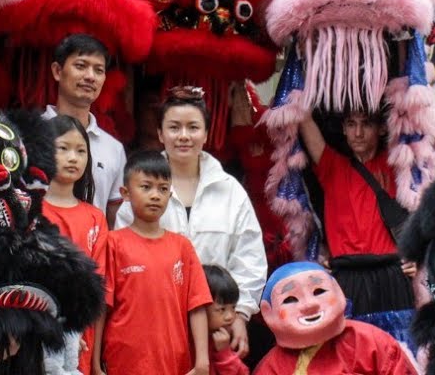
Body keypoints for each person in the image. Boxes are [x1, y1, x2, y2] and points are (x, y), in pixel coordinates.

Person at [116, 86, 267, 359]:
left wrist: (241, 314)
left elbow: (250, 258)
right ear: (160, 133)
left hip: (215, 331)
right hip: (153, 326)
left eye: (193, 127)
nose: (184, 136)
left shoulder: (230, 191)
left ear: (206, 134)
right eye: (174, 127)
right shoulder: (140, 189)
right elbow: (123, 260)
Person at [94, 151, 211, 375]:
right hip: (124, 362)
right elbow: (101, 306)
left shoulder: (182, 247)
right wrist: (95, 365)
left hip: (174, 362)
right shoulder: (113, 243)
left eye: (163, 189)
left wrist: (202, 361)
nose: (155, 195)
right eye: (146, 187)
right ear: (125, 193)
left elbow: (197, 305)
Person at [298, 110, 415, 331]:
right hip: (348, 276)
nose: (358, 133)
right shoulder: (332, 165)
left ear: (381, 128)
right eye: (351, 124)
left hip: (391, 274)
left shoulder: (397, 165)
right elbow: (304, 118)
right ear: (343, 129)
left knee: (399, 346)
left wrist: (418, 257)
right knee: (351, 347)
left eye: (366, 124)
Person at [253, 262, 416, 375]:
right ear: (269, 312)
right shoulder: (271, 368)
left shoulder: (371, 341)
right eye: (290, 299)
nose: (309, 305)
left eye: (319, 291)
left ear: (338, 292)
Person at [42, 115, 108, 375]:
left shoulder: (95, 218)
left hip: (82, 335)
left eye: (81, 151)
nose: (73, 158)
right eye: (63, 148)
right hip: (37, 334)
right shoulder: (31, 209)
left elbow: (99, 288)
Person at [46, 34, 126, 221]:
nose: (90, 77)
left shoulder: (113, 149)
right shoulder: (30, 135)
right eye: (81, 66)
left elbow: (115, 219)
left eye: (99, 70)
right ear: (57, 71)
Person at [203, 264, 249, 375]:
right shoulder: (190, 340)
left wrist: (224, 353)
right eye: (221, 309)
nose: (230, 316)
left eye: (233, 307)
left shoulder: (227, 337)